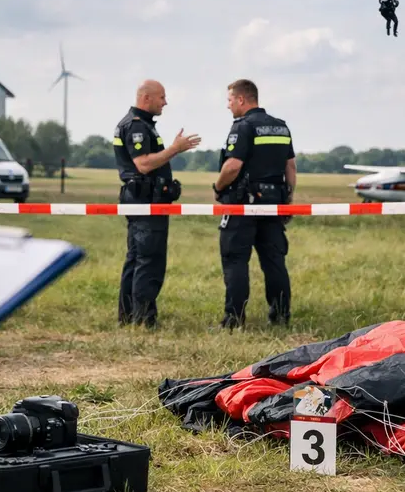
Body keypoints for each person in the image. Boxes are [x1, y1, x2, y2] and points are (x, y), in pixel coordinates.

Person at [113, 80, 200, 328]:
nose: (165, 102)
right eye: (162, 97)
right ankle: (143, 319)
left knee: (136, 258)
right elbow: (144, 164)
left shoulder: (140, 125)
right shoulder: (137, 127)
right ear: (146, 98)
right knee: (149, 260)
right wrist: (175, 149)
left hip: (144, 200)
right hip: (145, 202)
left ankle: (129, 316)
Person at [212, 79, 297, 329]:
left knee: (235, 260)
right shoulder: (281, 127)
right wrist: (288, 199)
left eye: (229, 100)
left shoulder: (243, 126)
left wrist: (218, 187)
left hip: (243, 205)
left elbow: (233, 165)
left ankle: (233, 320)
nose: (227, 106)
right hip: (274, 204)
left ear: (241, 99)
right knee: (274, 261)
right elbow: (290, 167)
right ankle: (281, 317)